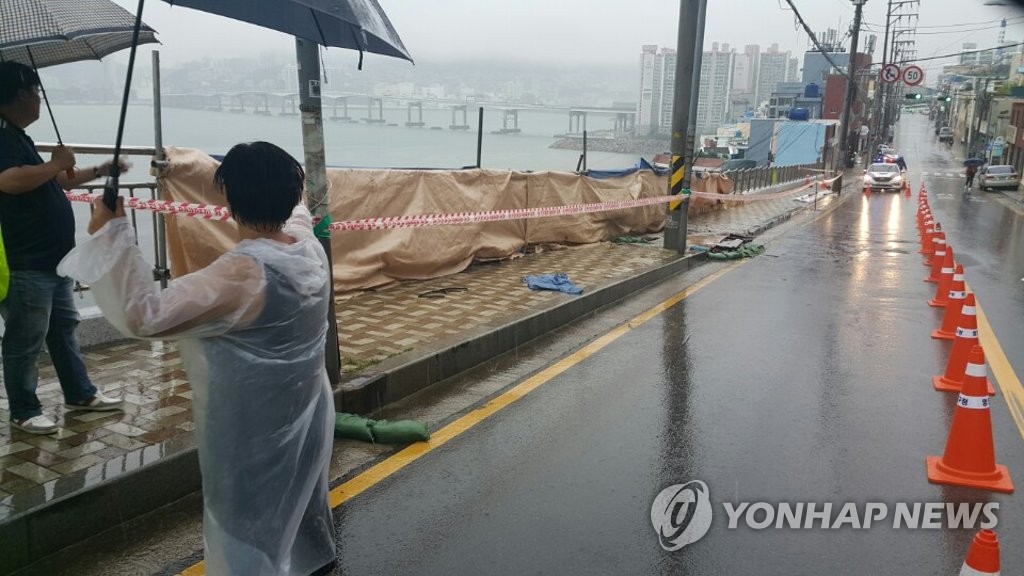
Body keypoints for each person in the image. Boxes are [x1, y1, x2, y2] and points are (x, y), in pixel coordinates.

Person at [58, 142, 337, 575]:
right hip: (308, 413)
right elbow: (300, 216)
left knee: (246, 532)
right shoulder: (307, 248)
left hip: (253, 434)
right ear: (291, 193)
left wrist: (110, 232)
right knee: (298, 511)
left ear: (227, 198)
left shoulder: (242, 274)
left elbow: (144, 314)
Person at [0, 61, 124, 434]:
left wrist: (100, 170)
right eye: (36, 91)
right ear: (20, 95)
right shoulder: (2, 136)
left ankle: (79, 393)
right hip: (26, 260)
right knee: (25, 340)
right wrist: (55, 163)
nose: (39, 99)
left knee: (63, 330)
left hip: (54, 261)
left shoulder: (17, 136)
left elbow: (54, 181)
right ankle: (24, 409)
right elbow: (9, 181)